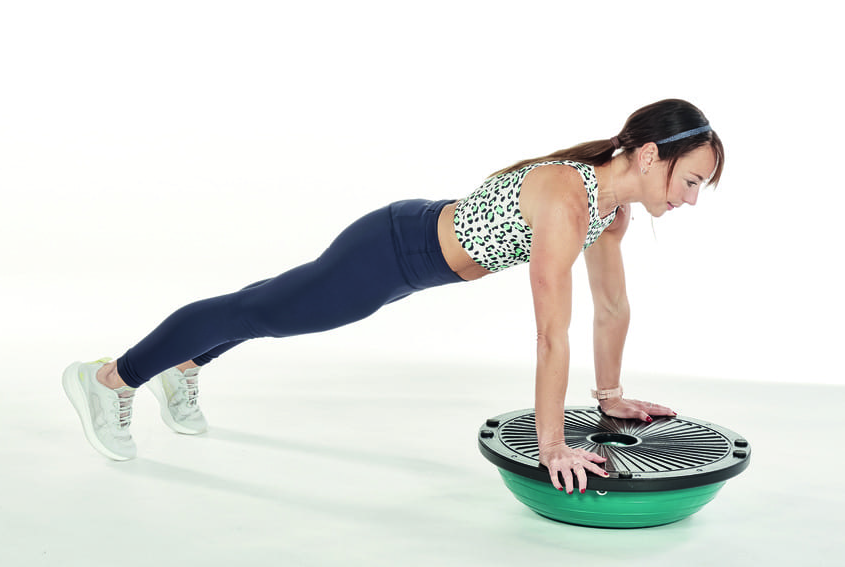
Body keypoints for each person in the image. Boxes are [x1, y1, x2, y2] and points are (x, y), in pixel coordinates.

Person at [62, 98, 723, 493]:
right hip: (391, 250)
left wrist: (610, 397)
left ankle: (184, 365)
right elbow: (553, 331)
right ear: (645, 155)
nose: (690, 199)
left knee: (270, 309)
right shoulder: (564, 196)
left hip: (412, 258)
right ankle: (110, 378)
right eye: (689, 180)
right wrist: (551, 444)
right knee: (262, 311)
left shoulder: (610, 213)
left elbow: (611, 309)